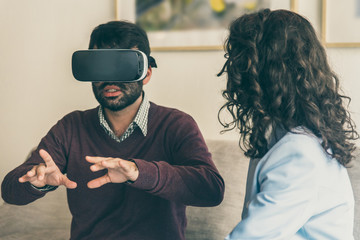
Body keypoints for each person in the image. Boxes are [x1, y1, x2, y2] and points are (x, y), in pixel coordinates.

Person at [1, 21, 225, 240]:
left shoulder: (176, 124)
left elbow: (211, 189)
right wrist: (36, 183)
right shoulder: (71, 127)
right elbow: (9, 191)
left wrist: (139, 172)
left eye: (121, 66)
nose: (110, 79)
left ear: (146, 74)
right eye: (100, 67)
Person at [217, 9, 358, 239]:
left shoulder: (300, 154)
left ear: (267, 72)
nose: (233, 73)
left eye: (241, 61)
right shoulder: (283, 136)